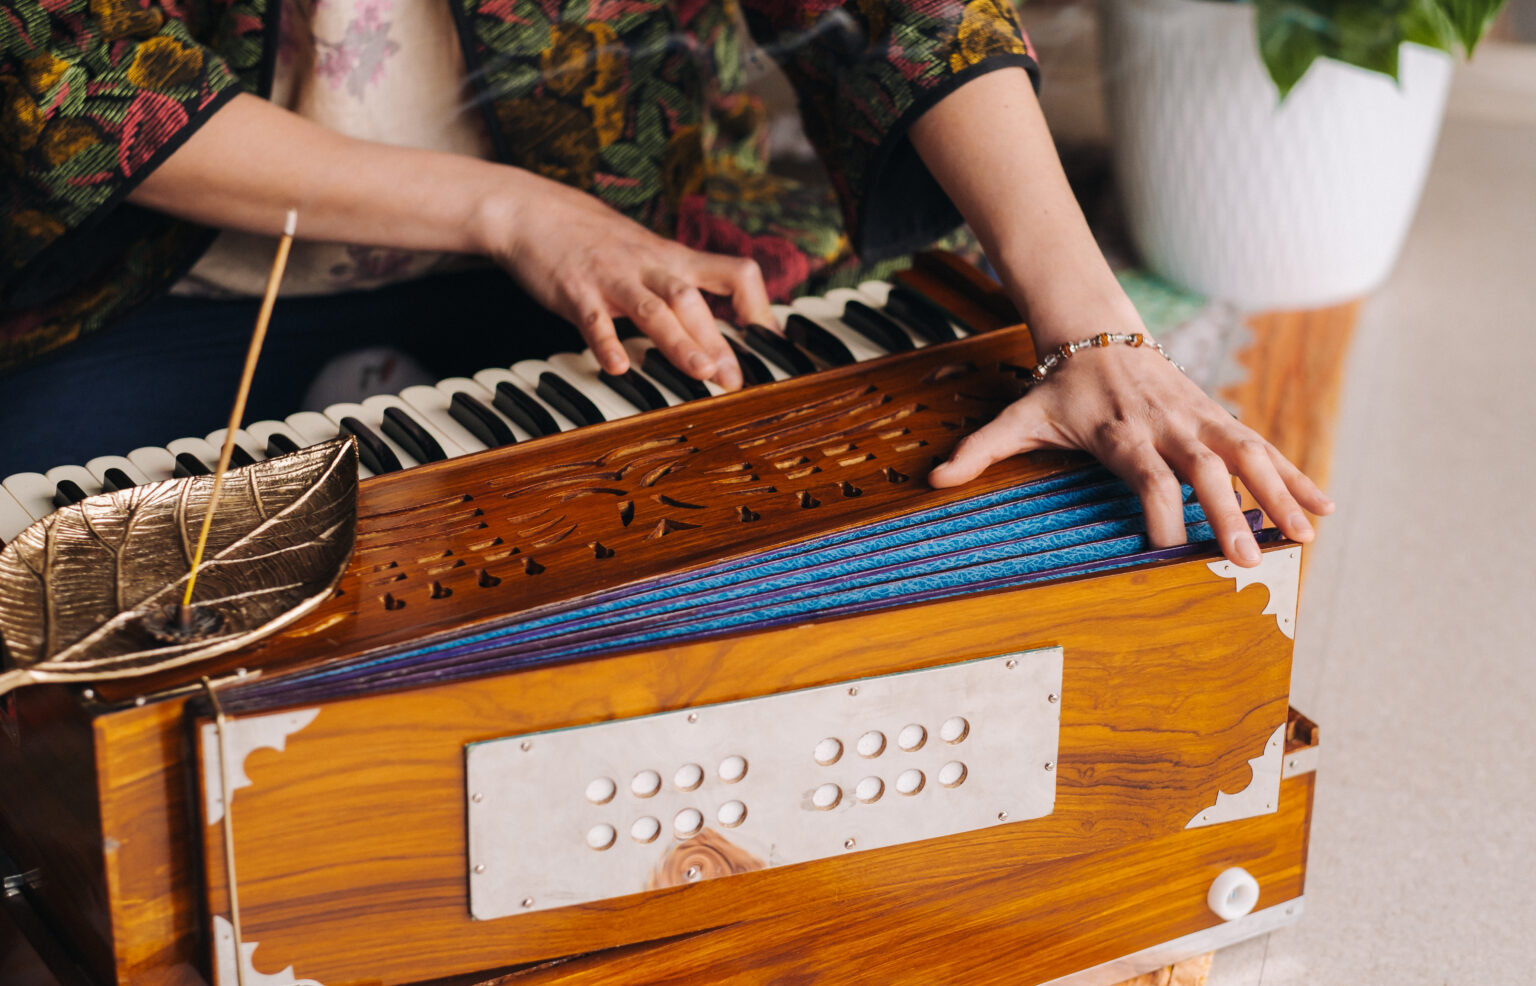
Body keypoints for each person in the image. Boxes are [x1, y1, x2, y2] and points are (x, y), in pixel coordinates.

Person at [0, 0, 1330, 566]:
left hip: (634, 243)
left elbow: (895, 11)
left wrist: (1086, 325)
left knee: (812, 522)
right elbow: (70, 70)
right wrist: (510, 211)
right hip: (157, 283)